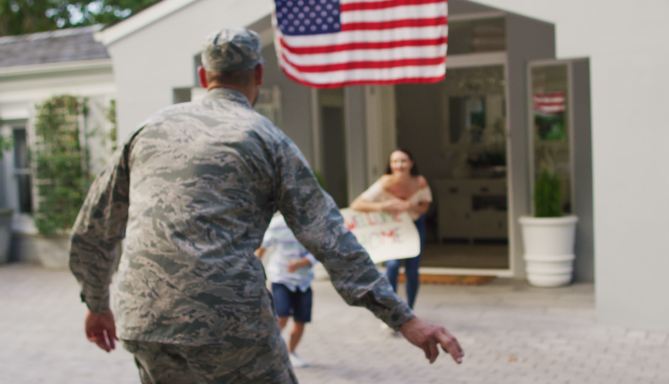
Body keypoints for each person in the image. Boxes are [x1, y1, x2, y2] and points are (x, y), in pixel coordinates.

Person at [69, 27, 463, 384]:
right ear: (259, 75)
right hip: (227, 322)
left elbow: (92, 227)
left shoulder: (149, 129)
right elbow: (329, 237)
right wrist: (404, 318)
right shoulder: (265, 139)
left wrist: (97, 303)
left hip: (143, 318)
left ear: (204, 78)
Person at [351, 149, 431, 309]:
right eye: (395, 161)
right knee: (392, 266)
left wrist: (410, 206)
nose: (399, 165)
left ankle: (410, 308)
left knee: (412, 270)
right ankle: (392, 308)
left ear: (411, 163)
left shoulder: (420, 181)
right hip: (393, 229)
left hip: (414, 226)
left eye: (403, 161)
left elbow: (425, 206)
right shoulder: (385, 182)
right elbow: (357, 204)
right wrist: (383, 206)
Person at [255, 213, 316, 368]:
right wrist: (254, 269)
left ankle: (291, 353)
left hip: (304, 281)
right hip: (281, 277)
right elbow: (262, 247)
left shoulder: (313, 222)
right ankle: (267, 351)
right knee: (281, 316)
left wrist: (303, 262)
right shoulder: (277, 224)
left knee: (301, 321)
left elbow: (321, 249)